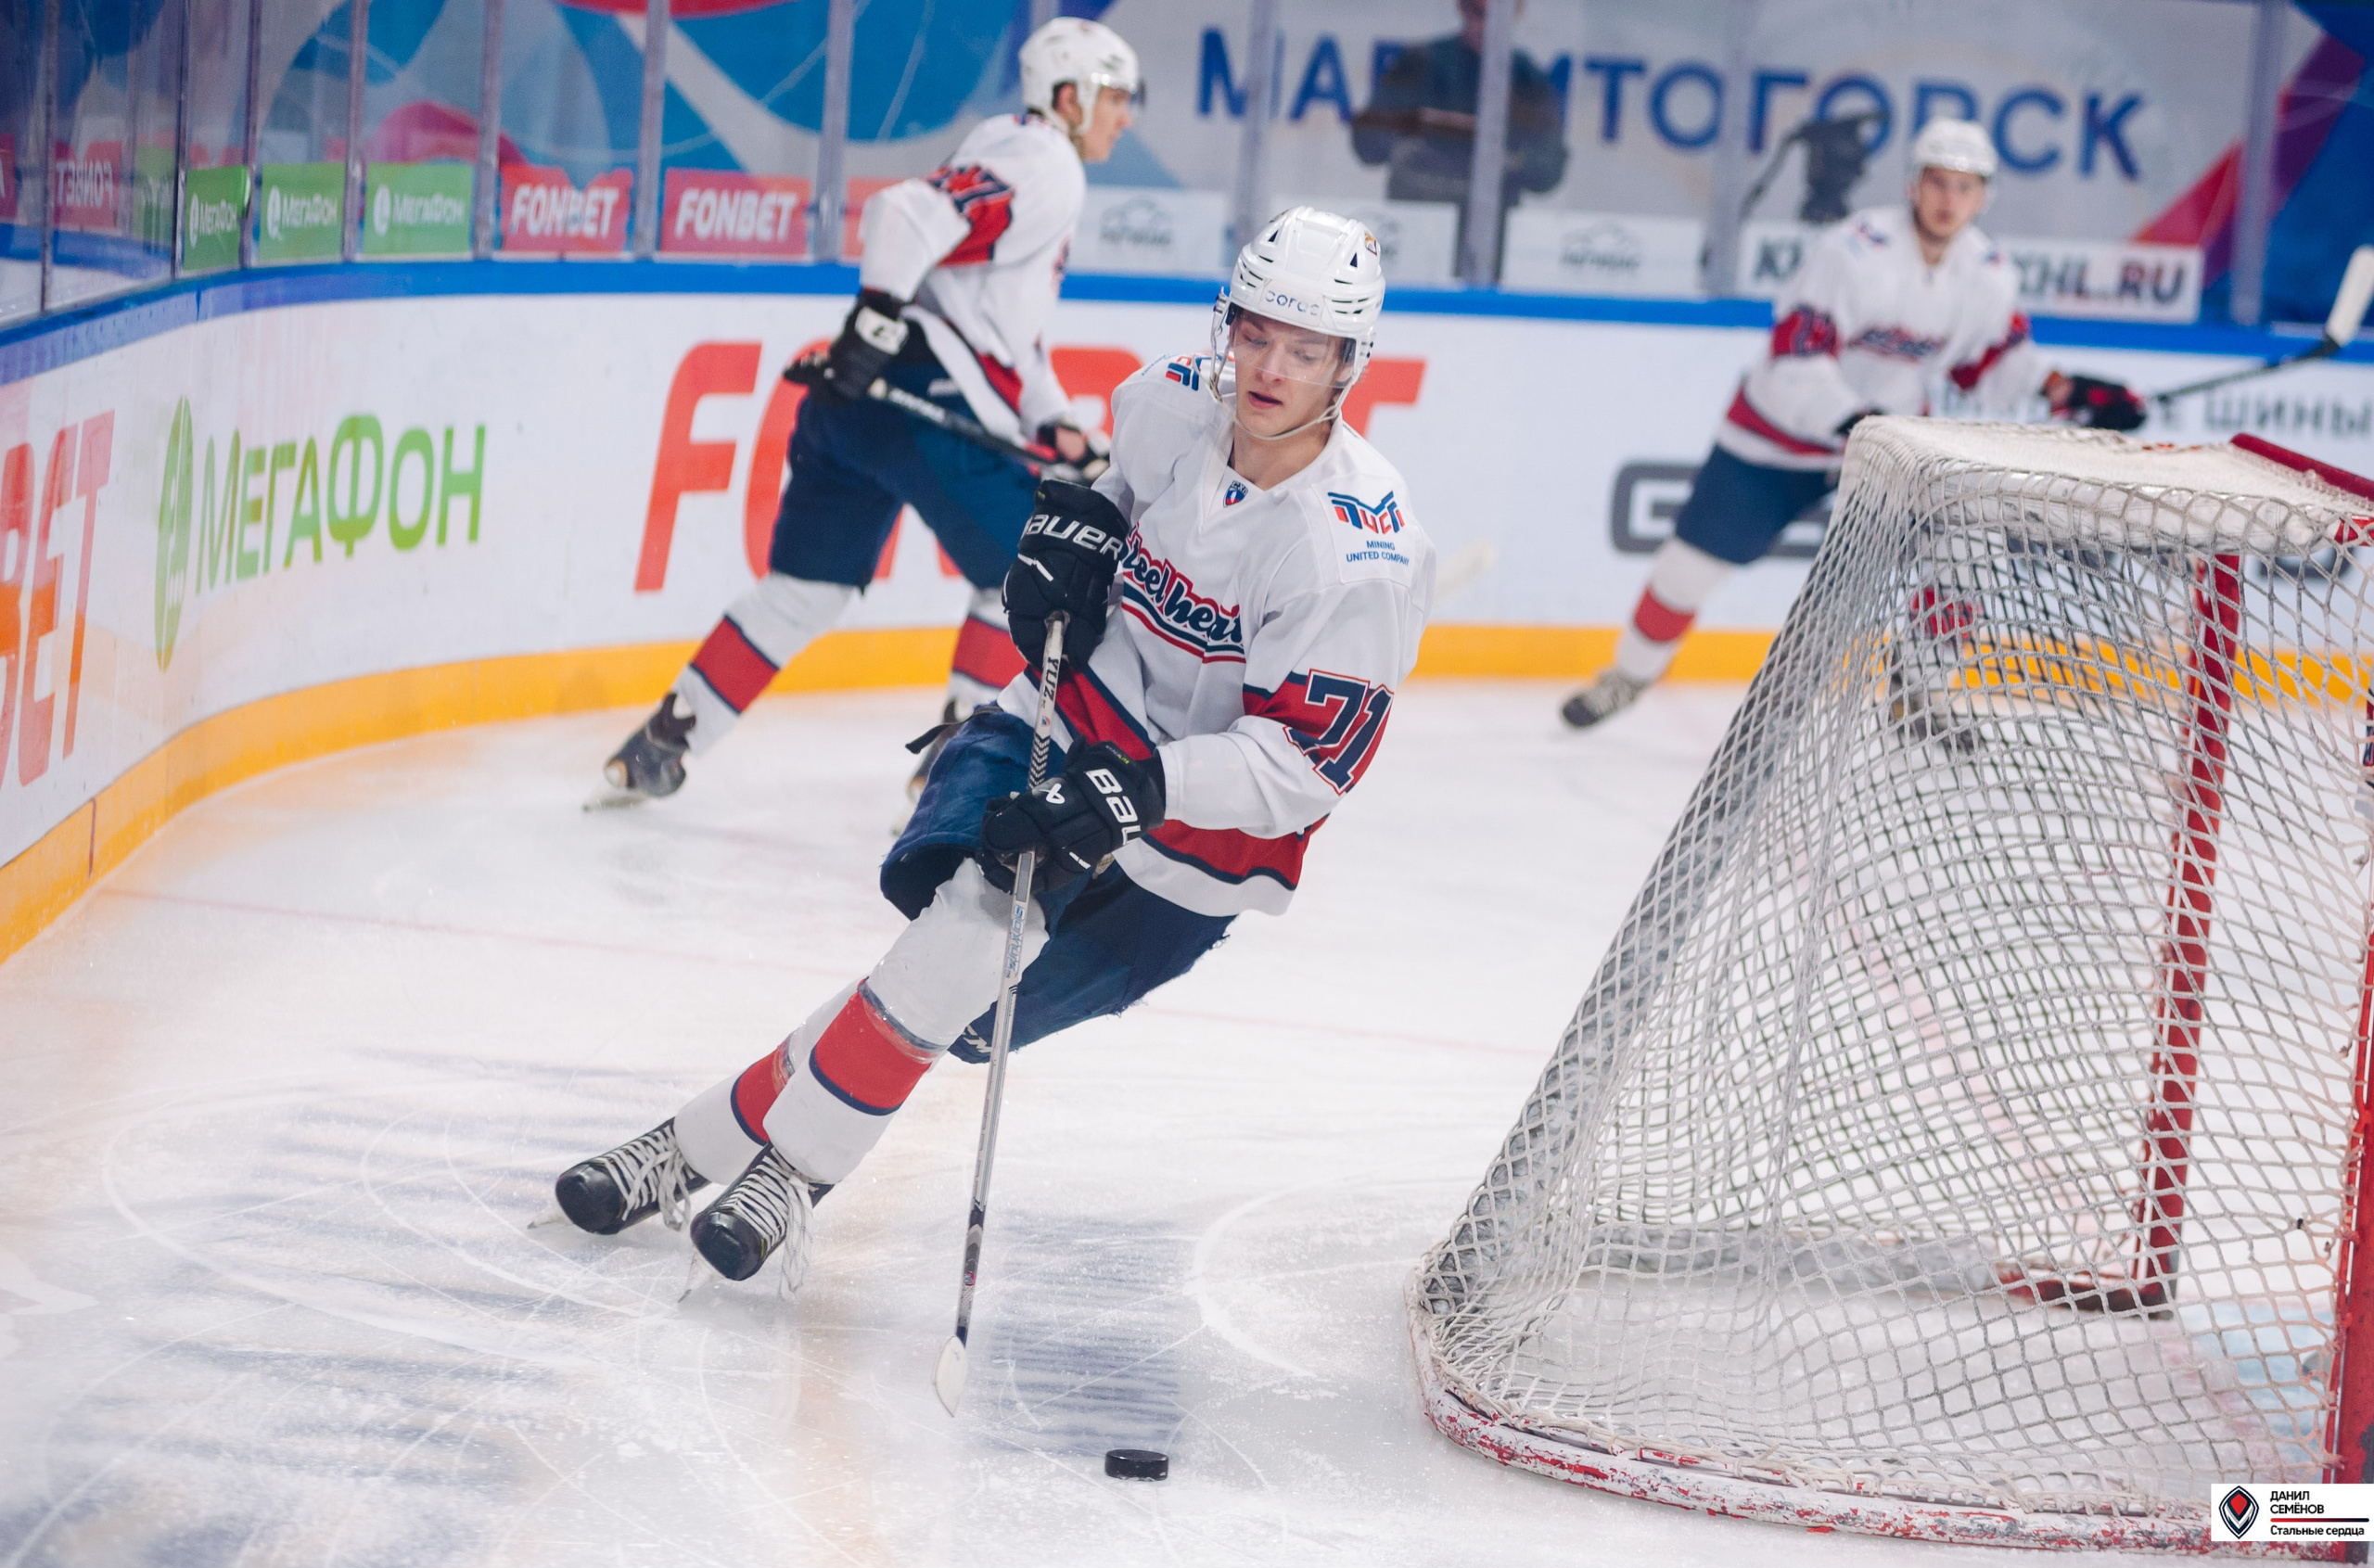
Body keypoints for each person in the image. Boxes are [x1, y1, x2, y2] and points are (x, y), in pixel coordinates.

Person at [549, 209, 1436, 1290]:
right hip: (1061, 721)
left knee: (954, 1015)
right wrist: (1074, 535)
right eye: (1255, 333)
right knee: (974, 920)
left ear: (1348, 364)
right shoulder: (1168, 405)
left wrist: (1147, 787)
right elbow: (1111, 497)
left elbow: (1306, 768)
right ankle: (791, 1176)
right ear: (1228, 324)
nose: (1269, 367)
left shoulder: (1355, 554)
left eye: (1305, 350)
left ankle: (691, 1145)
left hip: (1197, 851)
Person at [600, 18, 1141, 803]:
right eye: (1115, 97)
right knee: (1026, 578)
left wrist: (1053, 421)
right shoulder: (1043, 157)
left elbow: (1002, 335)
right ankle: (953, 780)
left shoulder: (1012, 150)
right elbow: (903, 214)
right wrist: (876, 317)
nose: (1124, 117)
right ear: (1069, 95)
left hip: (859, 405)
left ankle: (657, 745)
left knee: (803, 591)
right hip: (916, 399)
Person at [1559, 118, 2150, 730]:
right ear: (1912, 185)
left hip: (1886, 454)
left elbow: (1989, 363)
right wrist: (1855, 420)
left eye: (1965, 188)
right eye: (1938, 183)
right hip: (1778, 441)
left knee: (1971, 545)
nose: (1950, 200)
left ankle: (1916, 689)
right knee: (1687, 570)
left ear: (1985, 196)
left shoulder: (1988, 273)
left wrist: (2067, 389)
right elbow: (1797, 360)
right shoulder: (1852, 251)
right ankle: (1627, 678)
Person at [1351, 0, 1566, 269]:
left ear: (1517, 13)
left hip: (1491, 243)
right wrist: (1415, 139)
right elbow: (1368, 145)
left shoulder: (1529, 81)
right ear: (1462, 9)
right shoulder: (1420, 63)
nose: (1486, 25)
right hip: (1416, 229)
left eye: (1498, 15)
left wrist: (1504, 162)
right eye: (1477, 12)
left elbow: (1549, 169)